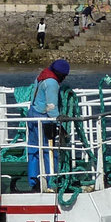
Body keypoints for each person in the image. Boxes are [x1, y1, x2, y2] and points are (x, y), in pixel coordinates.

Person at [26, 59, 69, 190]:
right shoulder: (52, 83)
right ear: (61, 74)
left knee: (33, 148)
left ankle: (33, 179)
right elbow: (51, 107)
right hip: (43, 118)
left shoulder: (42, 75)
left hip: (32, 113)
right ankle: (51, 180)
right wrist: (60, 124)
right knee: (49, 150)